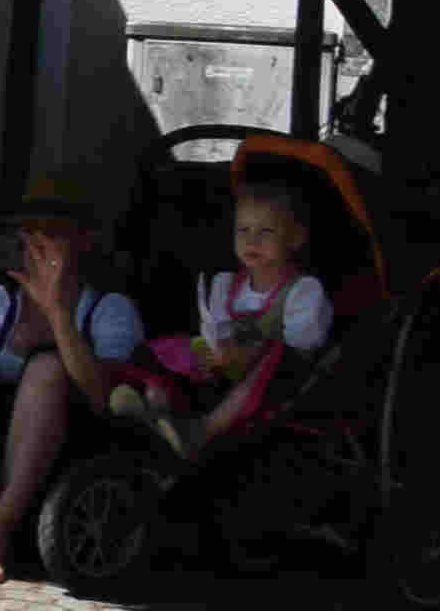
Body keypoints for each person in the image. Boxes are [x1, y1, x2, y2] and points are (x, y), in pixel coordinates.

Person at [0, 181, 140, 584]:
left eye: (50, 233)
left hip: (65, 456)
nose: (36, 244)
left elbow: (104, 397)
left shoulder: (109, 309)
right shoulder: (3, 304)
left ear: (81, 242)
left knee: (48, 368)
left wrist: (57, 312)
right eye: (27, 233)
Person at [136, 164, 340, 459]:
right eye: (243, 230)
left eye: (265, 232)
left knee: (275, 358)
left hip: (276, 381)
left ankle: (203, 430)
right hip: (226, 368)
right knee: (181, 347)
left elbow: (303, 347)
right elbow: (215, 329)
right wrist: (214, 350)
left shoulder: (303, 291)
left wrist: (249, 351)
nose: (251, 241)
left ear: (296, 238)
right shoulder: (226, 285)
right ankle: (155, 404)